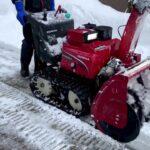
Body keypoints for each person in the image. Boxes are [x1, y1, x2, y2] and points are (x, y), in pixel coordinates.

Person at [12, 0, 55, 77]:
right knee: (29, 41)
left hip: (45, 16)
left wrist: (52, 7)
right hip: (30, 15)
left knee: (42, 43)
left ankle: (39, 71)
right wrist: (20, 9)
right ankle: (24, 68)